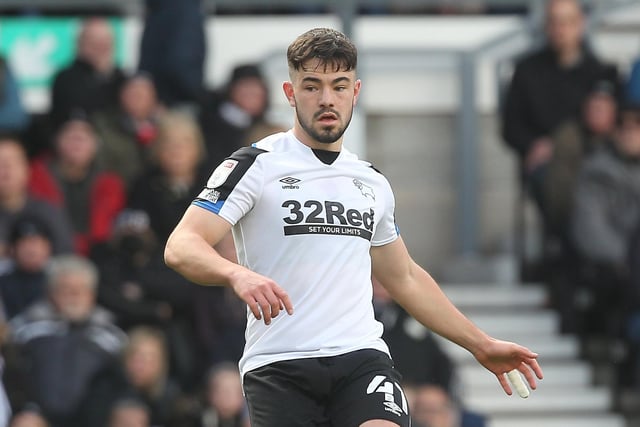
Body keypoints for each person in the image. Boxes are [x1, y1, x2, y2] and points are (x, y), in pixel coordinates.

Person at [164, 27, 543, 426]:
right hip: (280, 365)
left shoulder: (371, 181)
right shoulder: (254, 164)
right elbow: (181, 246)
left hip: (361, 359)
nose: (327, 99)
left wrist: (480, 344)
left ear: (355, 92)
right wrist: (236, 274)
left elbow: (406, 278)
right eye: (312, 86)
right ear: (291, 94)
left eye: (338, 86)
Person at [500, 0, 619, 278]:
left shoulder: (601, 72)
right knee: (553, 183)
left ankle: (578, 265)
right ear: (545, 27)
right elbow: (510, 127)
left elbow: (611, 124)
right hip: (545, 168)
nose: (560, 29)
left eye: (567, 21)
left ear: (581, 24)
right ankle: (572, 267)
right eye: (554, 22)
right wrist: (533, 145)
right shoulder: (527, 71)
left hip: (591, 161)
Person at [3, 255, 127, 427]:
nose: (73, 296)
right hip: (39, 415)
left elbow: (124, 382)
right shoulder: (27, 329)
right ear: (52, 293)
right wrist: (25, 408)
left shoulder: (112, 336)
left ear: (91, 295)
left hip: (96, 418)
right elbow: (12, 373)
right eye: (65, 289)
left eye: (79, 290)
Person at [28, 112, 127, 256]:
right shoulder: (34, 177)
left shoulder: (111, 185)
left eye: (84, 136)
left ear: (96, 145)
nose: (77, 140)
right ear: (56, 141)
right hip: (48, 257)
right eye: (70, 134)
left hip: (100, 257)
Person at [198, 63, 287, 171]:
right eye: (245, 89)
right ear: (231, 90)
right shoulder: (209, 124)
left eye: (256, 91)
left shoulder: (267, 128)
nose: (251, 96)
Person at [0, 137, 74, 259]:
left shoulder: (48, 212)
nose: (7, 170)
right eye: (1, 163)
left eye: (13, 162)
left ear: (27, 170)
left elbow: (66, 258)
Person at [49, 17, 126, 129]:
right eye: (94, 42)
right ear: (80, 44)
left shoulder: (122, 78)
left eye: (105, 41)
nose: (101, 47)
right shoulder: (66, 79)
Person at [92, 72, 164, 189]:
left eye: (142, 95)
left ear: (154, 98)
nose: (137, 99)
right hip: (117, 189)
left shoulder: (166, 127)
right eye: (132, 94)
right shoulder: (103, 125)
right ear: (121, 95)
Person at [138, 0, 206, 109]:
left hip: (172, 100)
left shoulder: (177, 9)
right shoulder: (180, 9)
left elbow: (179, 63)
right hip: (172, 99)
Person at [0, 215, 53, 319]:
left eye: (36, 243)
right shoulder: (3, 275)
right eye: (24, 243)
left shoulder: (60, 274)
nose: (31, 250)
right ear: (12, 249)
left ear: (48, 247)